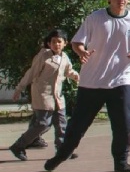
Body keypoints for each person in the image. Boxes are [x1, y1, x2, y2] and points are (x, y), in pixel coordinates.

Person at [44, 0, 130, 172]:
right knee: (78, 125)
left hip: (121, 80)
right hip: (92, 82)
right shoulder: (95, 18)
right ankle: (62, 154)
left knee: (124, 124)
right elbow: (77, 42)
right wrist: (81, 51)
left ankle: (121, 161)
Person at [9, 29, 80, 161]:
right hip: (43, 95)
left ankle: (62, 150)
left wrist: (77, 76)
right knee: (43, 124)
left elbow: (68, 70)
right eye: (53, 42)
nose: (56, 44)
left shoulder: (64, 57)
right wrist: (19, 88)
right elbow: (31, 73)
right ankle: (18, 146)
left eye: (59, 42)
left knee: (61, 124)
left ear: (65, 43)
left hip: (58, 97)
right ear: (49, 43)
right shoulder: (43, 56)